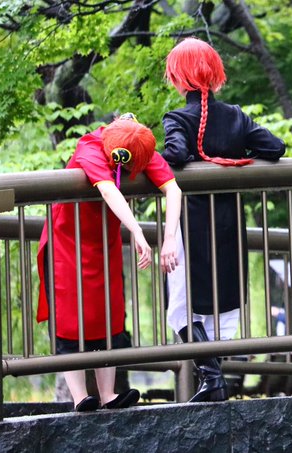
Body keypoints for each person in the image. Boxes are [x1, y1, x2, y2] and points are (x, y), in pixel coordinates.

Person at [162, 37, 286, 402]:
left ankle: (212, 378)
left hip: (190, 226)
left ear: (178, 78)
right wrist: (234, 153)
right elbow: (275, 147)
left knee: (181, 307)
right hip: (230, 224)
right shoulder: (235, 116)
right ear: (214, 74)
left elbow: (176, 153)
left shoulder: (177, 118)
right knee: (221, 305)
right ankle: (214, 381)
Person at [36, 113, 182, 412]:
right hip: (68, 240)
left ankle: (108, 394)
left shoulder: (137, 145)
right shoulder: (90, 147)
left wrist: (169, 238)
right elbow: (107, 188)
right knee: (69, 317)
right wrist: (137, 230)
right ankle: (79, 397)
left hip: (104, 240)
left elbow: (173, 188)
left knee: (109, 313)